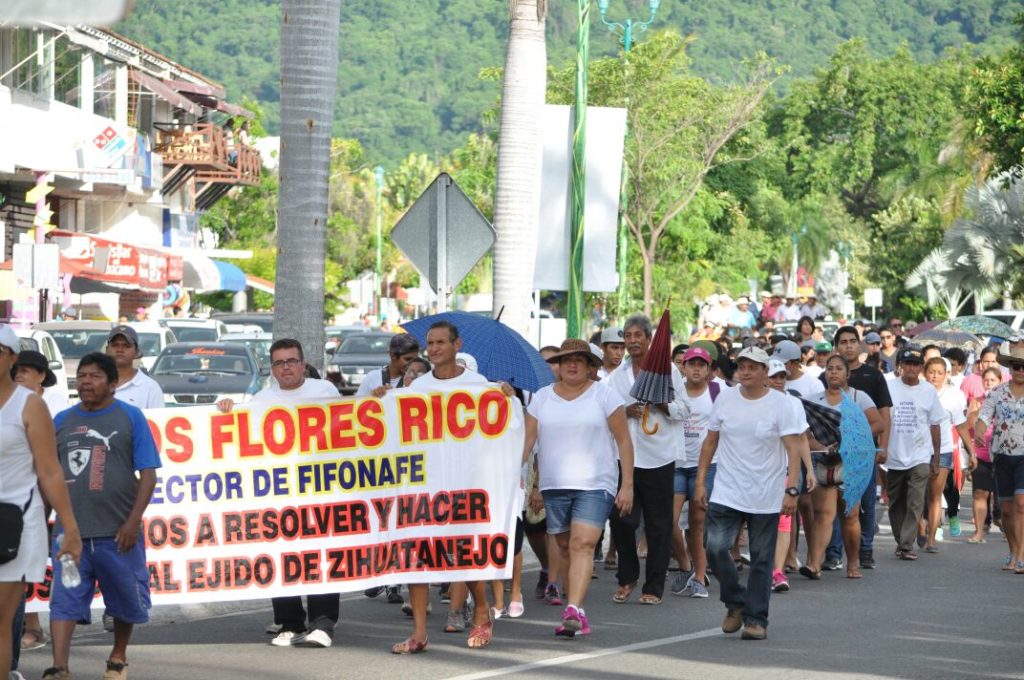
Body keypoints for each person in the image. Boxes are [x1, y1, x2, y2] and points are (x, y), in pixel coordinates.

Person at [218, 339, 341, 648]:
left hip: (320, 489)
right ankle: (289, 622)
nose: (286, 367)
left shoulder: (325, 391)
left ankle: (323, 624)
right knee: (281, 556)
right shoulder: (260, 401)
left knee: (321, 555)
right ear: (272, 369)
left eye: (291, 361)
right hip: (279, 492)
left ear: (303, 364)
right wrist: (226, 412)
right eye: (279, 363)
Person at [47, 352, 159, 680]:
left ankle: (118, 656)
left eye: (95, 376)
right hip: (70, 534)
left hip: (118, 533)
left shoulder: (130, 417)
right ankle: (59, 667)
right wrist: (43, 521)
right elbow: (48, 474)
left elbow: (148, 475)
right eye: (82, 375)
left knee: (124, 599)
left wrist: (133, 522)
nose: (86, 381)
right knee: (64, 600)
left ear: (112, 384)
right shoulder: (61, 421)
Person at [395, 321, 501, 652]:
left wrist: (505, 398)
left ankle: (481, 609)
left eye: (441, 342)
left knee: (464, 556)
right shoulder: (418, 387)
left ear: (457, 345)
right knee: (416, 558)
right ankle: (419, 633)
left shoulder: (479, 385)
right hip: (424, 484)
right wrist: (383, 400)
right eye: (430, 343)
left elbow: (495, 430)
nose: (435, 348)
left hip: (465, 484)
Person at [523, 339, 633, 637]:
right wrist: (512, 476)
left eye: (579, 360)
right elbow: (528, 441)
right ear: (558, 366)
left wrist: (627, 485)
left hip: (596, 483)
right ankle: (578, 612)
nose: (572, 365)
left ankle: (572, 608)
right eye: (566, 360)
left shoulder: (605, 395)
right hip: (554, 483)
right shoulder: (542, 398)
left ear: (589, 366)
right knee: (564, 547)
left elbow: (624, 441)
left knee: (582, 544)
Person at [695, 346, 806, 641]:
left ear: (765, 372)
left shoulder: (781, 404)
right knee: (714, 547)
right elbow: (710, 441)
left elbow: (793, 448)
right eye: (742, 366)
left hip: (766, 493)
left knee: (761, 559)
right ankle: (735, 601)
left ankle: (756, 619)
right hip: (728, 490)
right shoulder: (725, 398)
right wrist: (700, 482)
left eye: (752, 367)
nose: (745, 372)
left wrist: (792, 489)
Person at [0, 326, 81, 680]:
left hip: (14, 523)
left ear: (13, 358)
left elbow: (49, 471)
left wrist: (70, 528)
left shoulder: (29, 405)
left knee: (1, 620)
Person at [606, 315, 689, 606]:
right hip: (625, 458)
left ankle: (653, 586)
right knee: (621, 519)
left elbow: (684, 409)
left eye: (637, 335)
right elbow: (607, 411)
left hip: (659, 456)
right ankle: (627, 576)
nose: (632, 341)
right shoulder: (617, 376)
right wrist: (626, 411)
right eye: (627, 336)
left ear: (649, 338)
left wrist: (662, 404)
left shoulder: (668, 371)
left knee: (658, 524)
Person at [801, 356, 883, 580]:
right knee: (823, 514)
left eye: (839, 369)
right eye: (830, 369)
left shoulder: (859, 397)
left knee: (850, 516)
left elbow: (878, 424)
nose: (834, 372)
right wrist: (821, 446)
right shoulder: (814, 400)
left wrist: (851, 437)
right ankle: (814, 564)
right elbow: (805, 433)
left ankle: (852, 564)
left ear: (848, 374)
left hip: (852, 462)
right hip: (824, 461)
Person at [820, 326, 893, 570]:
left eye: (853, 341)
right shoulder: (825, 378)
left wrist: (883, 446)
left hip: (864, 453)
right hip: (832, 456)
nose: (848, 345)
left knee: (865, 504)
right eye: (843, 342)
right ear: (836, 347)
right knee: (834, 505)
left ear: (859, 344)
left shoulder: (873, 376)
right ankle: (833, 553)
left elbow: (883, 414)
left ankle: (866, 549)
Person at [885, 347, 944, 561]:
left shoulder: (928, 390)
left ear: (921, 367)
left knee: (916, 501)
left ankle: (906, 544)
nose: (911, 368)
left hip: (920, 455)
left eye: (916, 364)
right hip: (893, 455)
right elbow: (881, 418)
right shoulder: (889, 386)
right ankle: (901, 540)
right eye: (908, 363)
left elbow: (935, 425)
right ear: (901, 365)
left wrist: (935, 459)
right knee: (895, 503)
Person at [670, 347, 720, 599]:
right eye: (692, 364)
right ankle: (686, 565)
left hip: (706, 465)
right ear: (683, 367)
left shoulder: (718, 392)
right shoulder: (673, 391)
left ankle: (699, 577)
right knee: (669, 520)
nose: (696, 369)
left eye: (702, 365)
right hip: (677, 463)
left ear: (709, 369)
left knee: (697, 523)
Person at [764, 359, 814, 593]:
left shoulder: (794, 403)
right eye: (774, 376)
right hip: (759, 473)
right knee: (763, 522)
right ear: (765, 377)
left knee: (784, 521)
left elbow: (801, 438)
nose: (778, 381)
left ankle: (777, 571)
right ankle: (764, 566)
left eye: (782, 377)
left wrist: (809, 469)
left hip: (785, 471)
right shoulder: (754, 402)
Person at [974, 345, 1024, 573]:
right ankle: (1013, 551)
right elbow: (983, 416)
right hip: (1002, 456)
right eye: (1017, 366)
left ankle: (1021, 555)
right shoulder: (997, 393)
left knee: (1021, 505)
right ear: (1010, 368)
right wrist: (979, 429)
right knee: (1006, 510)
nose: (1021, 370)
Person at [917, 357, 975, 552]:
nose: (935, 376)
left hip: (943, 451)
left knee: (935, 495)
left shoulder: (953, 396)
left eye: (939, 373)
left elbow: (961, 426)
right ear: (925, 372)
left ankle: (931, 539)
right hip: (918, 450)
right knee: (918, 494)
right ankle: (920, 525)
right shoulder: (918, 392)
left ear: (946, 375)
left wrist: (971, 452)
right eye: (931, 372)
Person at [966, 367, 1002, 543]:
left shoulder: (1007, 400)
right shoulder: (977, 402)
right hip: (981, 455)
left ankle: (1008, 532)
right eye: (986, 380)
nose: (989, 383)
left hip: (1002, 455)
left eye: (993, 380)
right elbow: (969, 426)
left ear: (1000, 382)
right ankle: (979, 532)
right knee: (980, 493)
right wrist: (980, 409)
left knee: (1004, 499)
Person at [105, 326, 163, 410]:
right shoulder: (95, 383)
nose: (120, 350)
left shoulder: (150, 388)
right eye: (115, 345)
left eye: (126, 345)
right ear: (107, 350)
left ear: (136, 352)